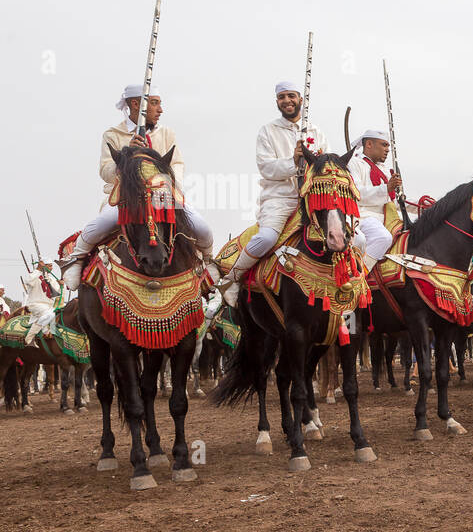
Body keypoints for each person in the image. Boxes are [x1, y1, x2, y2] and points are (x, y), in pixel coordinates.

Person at [64, 84, 215, 292]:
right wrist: (127, 158)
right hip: (126, 198)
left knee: (203, 228)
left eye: (159, 104)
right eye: (154, 103)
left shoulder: (167, 134)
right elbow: (105, 171)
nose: (160, 110)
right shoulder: (113, 134)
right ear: (136, 104)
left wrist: (166, 183)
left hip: (164, 197)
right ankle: (77, 259)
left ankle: (208, 262)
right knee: (101, 225)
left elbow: (177, 164)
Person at [219, 80, 329, 306]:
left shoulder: (317, 132)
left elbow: (326, 168)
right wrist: (294, 160)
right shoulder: (268, 131)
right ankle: (231, 280)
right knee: (267, 237)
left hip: (312, 200)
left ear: (301, 99)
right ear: (277, 102)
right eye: (282, 97)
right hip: (279, 199)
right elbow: (266, 168)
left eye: (291, 96)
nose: (287, 101)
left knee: (351, 237)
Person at [346, 128, 402, 272]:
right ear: (369, 144)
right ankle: (357, 275)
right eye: (384, 145)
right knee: (383, 237)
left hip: (387, 219)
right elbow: (357, 193)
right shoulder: (354, 163)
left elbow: (393, 201)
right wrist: (386, 188)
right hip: (363, 216)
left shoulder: (384, 170)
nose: (388, 149)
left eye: (388, 146)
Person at [20, 262, 59, 344]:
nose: (51, 268)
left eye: (52, 266)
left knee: (57, 313)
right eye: (50, 265)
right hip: (35, 304)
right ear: (44, 266)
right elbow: (28, 281)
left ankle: (50, 334)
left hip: (48, 307)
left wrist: (60, 283)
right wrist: (38, 269)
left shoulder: (51, 279)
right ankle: (29, 338)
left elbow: (57, 291)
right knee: (51, 314)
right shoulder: (35, 275)